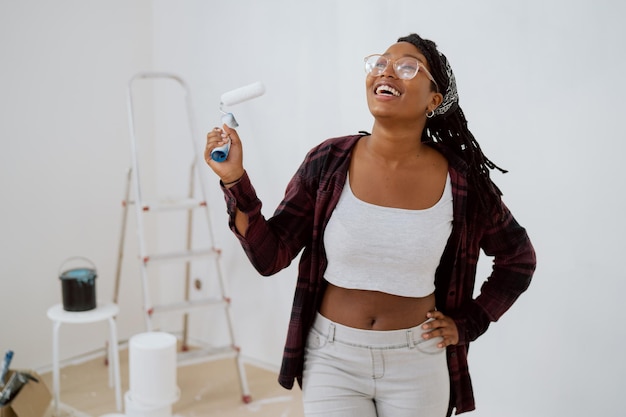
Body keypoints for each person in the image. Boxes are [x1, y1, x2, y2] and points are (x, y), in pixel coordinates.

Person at [204, 33, 536, 417]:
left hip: (417, 360)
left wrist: (470, 322)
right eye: (380, 63)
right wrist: (234, 179)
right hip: (332, 357)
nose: (388, 71)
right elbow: (270, 256)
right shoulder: (329, 160)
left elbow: (518, 259)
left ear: (433, 99)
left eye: (408, 66)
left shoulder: (460, 181)